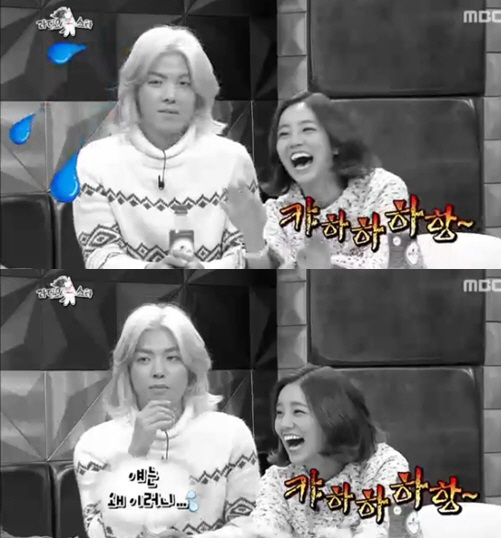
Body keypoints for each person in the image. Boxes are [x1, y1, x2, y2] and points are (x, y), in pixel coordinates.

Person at [73, 25, 258, 269]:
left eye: (184, 83)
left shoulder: (233, 160)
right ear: (135, 90)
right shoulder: (96, 161)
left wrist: (204, 272)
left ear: (199, 94)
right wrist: (151, 271)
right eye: (156, 82)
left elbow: (248, 251)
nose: (170, 95)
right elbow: (99, 255)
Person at [74, 304, 260, 538]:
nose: (158, 371)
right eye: (144, 359)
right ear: (127, 370)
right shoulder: (94, 446)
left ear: (191, 369)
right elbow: (100, 534)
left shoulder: (231, 435)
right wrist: (135, 456)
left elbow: (251, 527)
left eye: (172, 358)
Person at [224, 91, 422, 269]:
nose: (294, 142)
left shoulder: (384, 188)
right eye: (284, 134)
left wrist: (328, 268)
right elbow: (270, 280)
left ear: (335, 144)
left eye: (307, 130)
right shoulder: (277, 213)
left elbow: (399, 265)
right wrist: (253, 237)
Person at [248, 365, 414, 537]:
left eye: (298, 412)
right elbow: (261, 532)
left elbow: (388, 533)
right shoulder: (278, 480)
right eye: (280, 413)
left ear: (334, 417)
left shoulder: (385, 465)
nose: (284, 424)